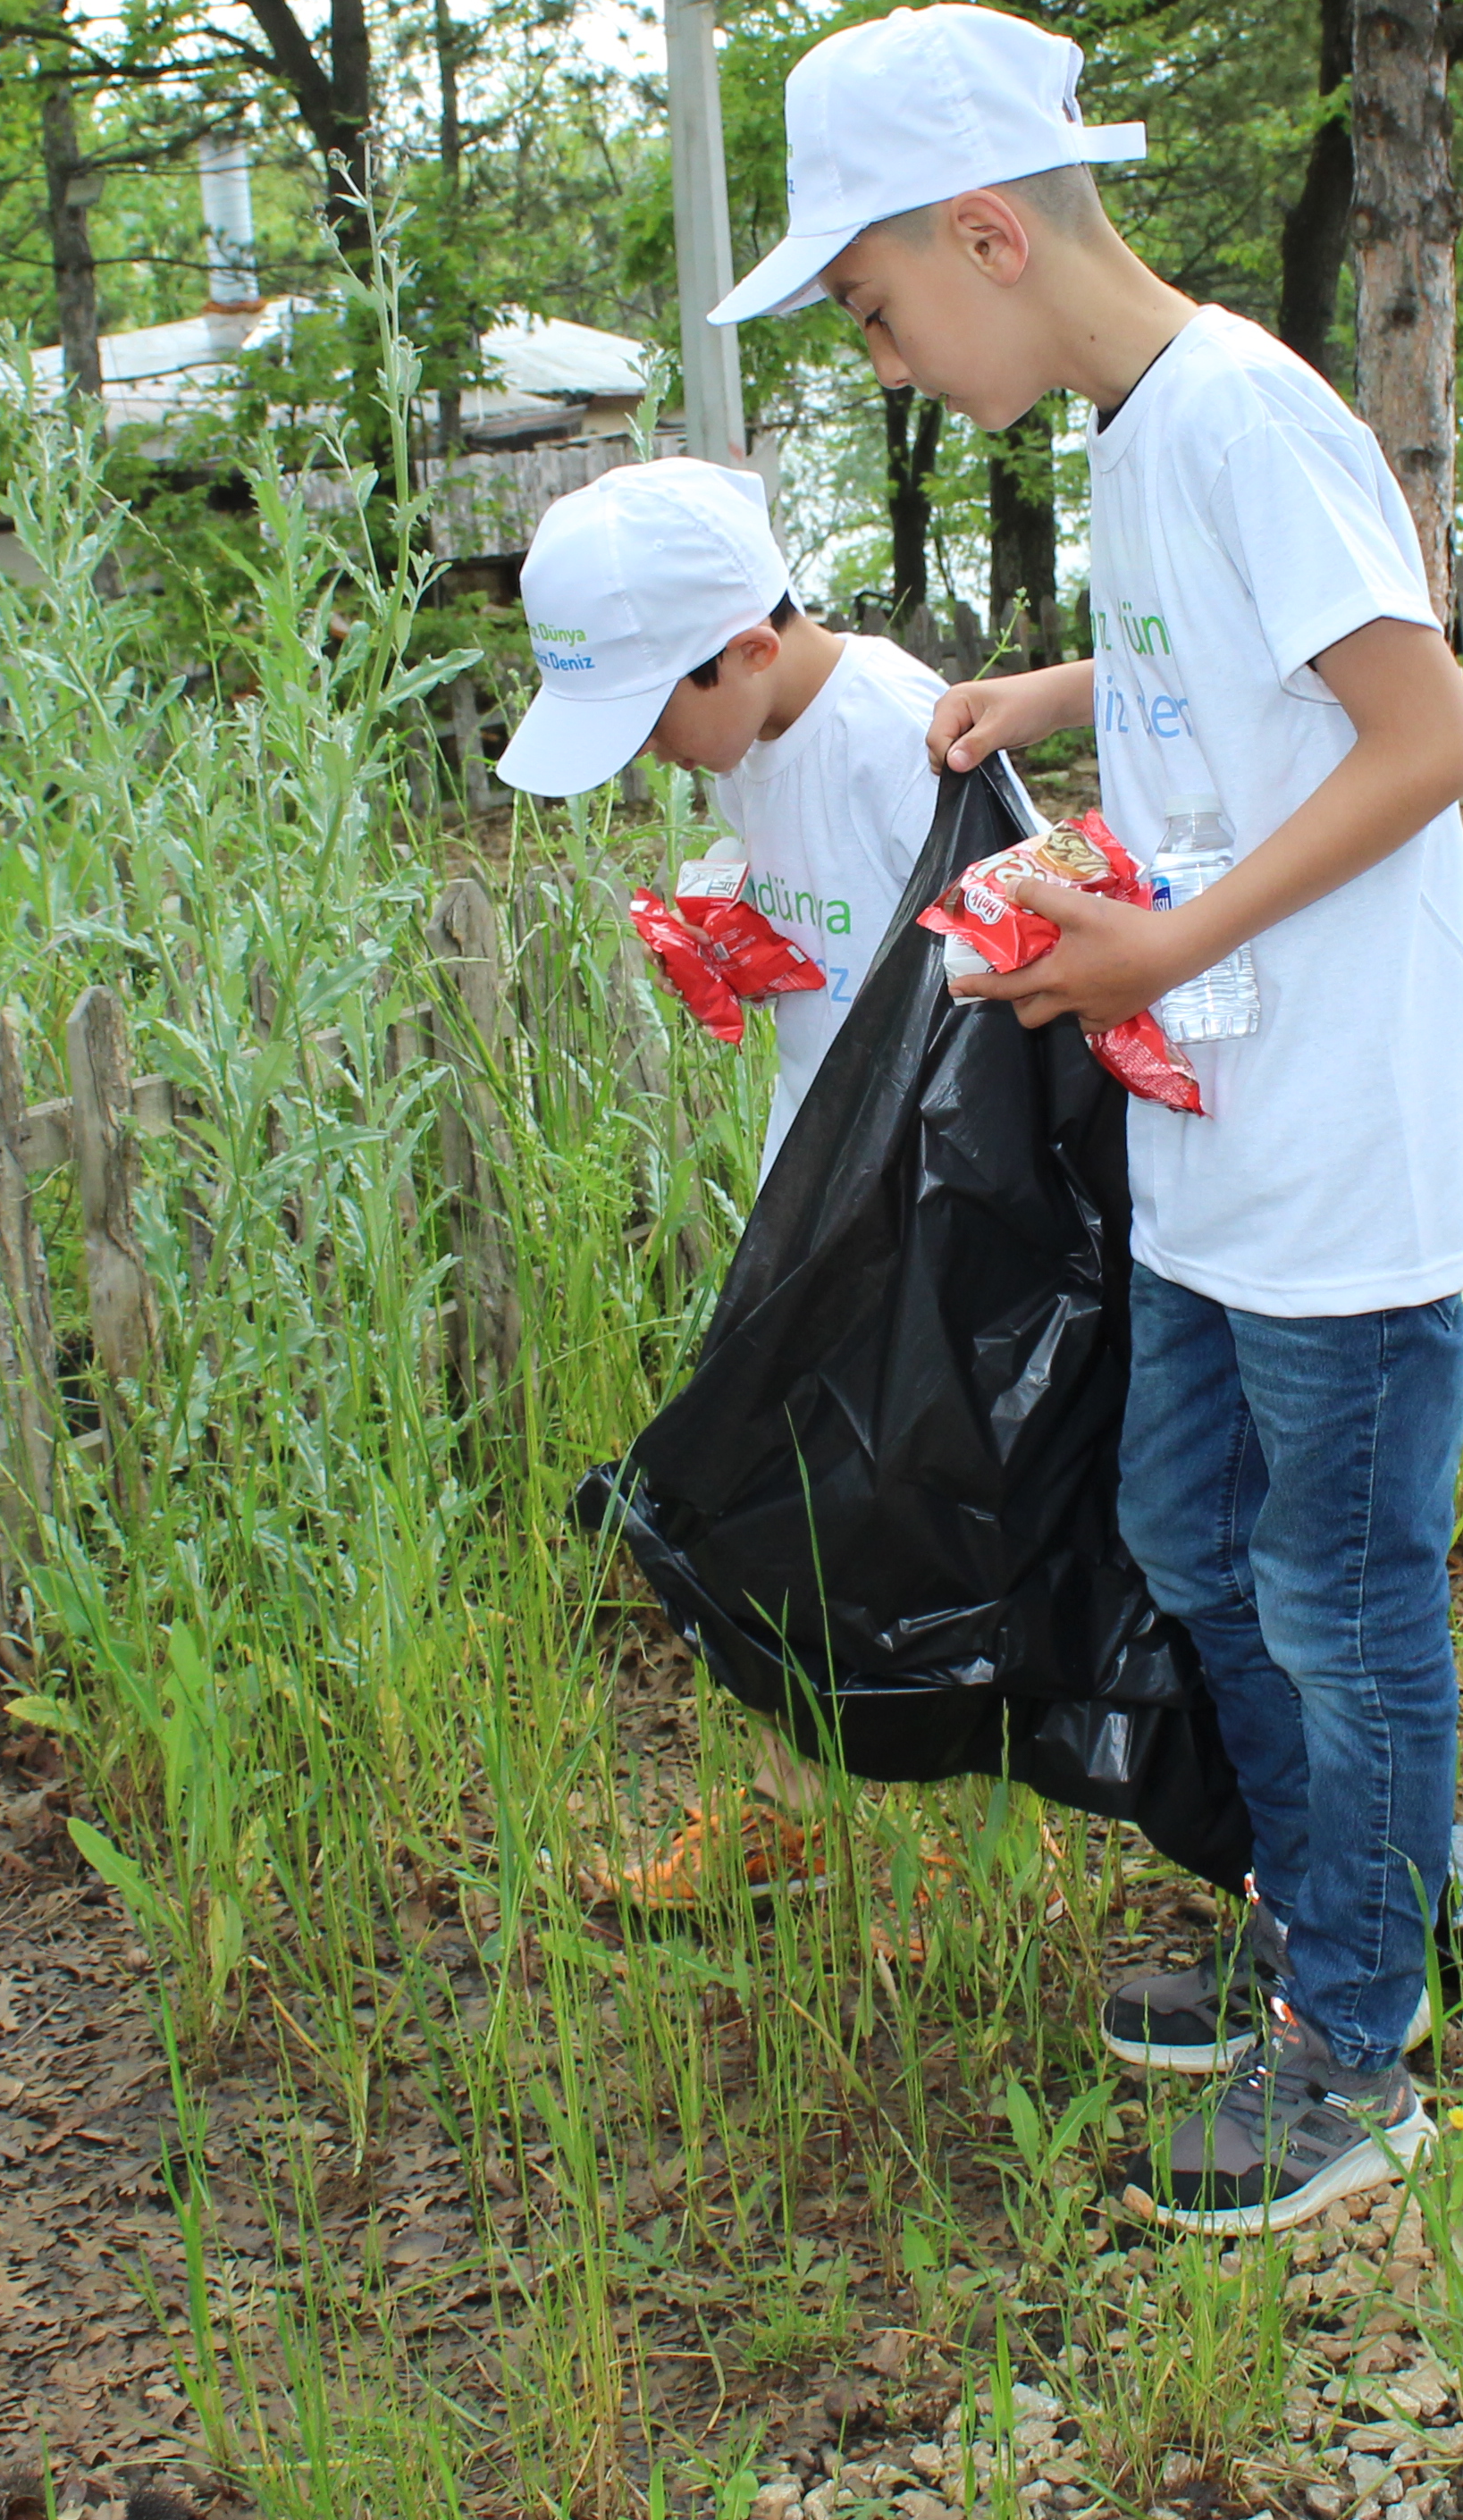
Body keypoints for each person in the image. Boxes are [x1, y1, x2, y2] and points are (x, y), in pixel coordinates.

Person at [713, 1, 1463, 2234]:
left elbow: (1423, 730)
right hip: (1218, 1138)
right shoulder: (1144, 435)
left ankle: (1360, 2040)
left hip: (1345, 1142)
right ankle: (1331, 1910)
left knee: (1338, 1592)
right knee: (1189, 1532)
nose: (884, 357)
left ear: (988, 233)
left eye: (876, 306)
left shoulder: (1242, 412)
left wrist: (1160, 951)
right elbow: (1249, 665)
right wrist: (1073, 703)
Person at [495, 456, 951, 1907]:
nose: (650, 756)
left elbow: (996, 956)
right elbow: (836, 935)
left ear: (749, 647)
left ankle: (973, 1842)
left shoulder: (896, 732)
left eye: (652, 718)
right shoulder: (753, 736)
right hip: (813, 1186)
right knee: (790, 1503)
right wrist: (738, 933)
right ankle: (789, 1817)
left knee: (920, 1513)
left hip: (924, 1207)